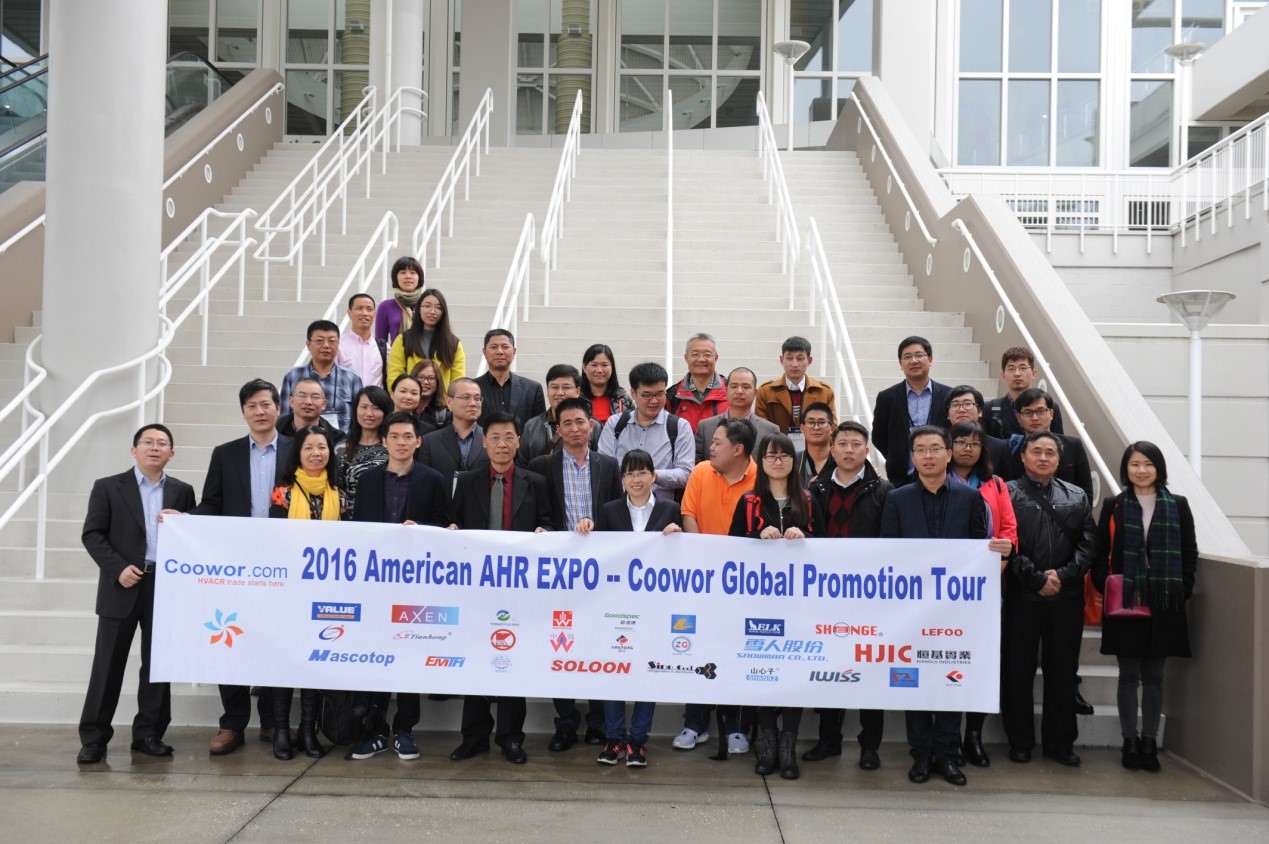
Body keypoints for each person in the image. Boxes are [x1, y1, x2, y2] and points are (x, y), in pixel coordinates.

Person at [76, 424, 197, 765]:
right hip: (122, 584)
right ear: (134, 450)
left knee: (157, 665)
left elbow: (192, 536)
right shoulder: (107, 487)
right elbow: (93, 534)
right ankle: (94, 738)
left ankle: (149, 735)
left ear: (171, 453)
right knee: (107, 664)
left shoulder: (183, 491)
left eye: (162, 443)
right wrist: (118, 568)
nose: (155, 448)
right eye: (148, 442)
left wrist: (186, 518)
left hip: (165, 586)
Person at [880, 425, 988, 787]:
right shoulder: (897, 498)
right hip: (911, 608)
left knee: (951, 679)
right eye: (921, 450)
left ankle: (947, 754)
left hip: (956, 610)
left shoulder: (970, 499)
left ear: (949, 454)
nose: (928, 456)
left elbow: (979, 551)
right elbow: (888, 551)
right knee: (914, 680)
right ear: (913, 457)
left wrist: (999, 551)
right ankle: (922, 754)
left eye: (935, 448)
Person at [192, 379, 293, 755]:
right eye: (252, 406)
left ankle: (272, 721)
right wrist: (182, 519)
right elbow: (211, 503)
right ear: (243, 412)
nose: (259, 411)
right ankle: (232, 723)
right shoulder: (225, 454)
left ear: (278, 408)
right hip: (235, 565)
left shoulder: (297, 450)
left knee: (273, 639)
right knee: (229, 638)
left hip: (284, 564)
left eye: (266, 404)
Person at [448, 412, 551, 765]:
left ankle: (510, 738)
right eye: (495, 437)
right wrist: (451, 530)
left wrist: (545, 533)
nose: (502, 444)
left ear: (519, 441)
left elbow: (549, 523)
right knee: (476, 659)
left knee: (512, 660)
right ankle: (473, 736)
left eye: (509, 437)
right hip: (477, 588)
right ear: (484, 441)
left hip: (519, 590)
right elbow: (453, 523)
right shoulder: (467, 481)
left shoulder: (536, 482)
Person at [347, 413, 449, 762]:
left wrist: (420, 530)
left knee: (409, 656)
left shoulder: (433, 480)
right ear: (384, 441)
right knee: (376, 656)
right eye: (394, 436)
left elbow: (444, 527)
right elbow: (358, 529)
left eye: (408, 436)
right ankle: (375, 730)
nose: (401, 442)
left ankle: (405, 729)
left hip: (416, 584)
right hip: (376, 585)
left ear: (418, 441)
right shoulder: (368, 480)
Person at [1092, 442, 1198, 773]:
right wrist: (1106, 583)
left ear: (1158, 468)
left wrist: (1183, 587)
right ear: (1126, 469)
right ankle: (1129, 740)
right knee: (1128, 674)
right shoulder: (1114, 505)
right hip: (1126, 599)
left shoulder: (1177, 505)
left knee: (1154, 675)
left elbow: (1189, 551)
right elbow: (1099, 550)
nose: (1141, 470)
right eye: (1135, 464)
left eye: (1148, 464)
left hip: (1165, 600)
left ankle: (1149, 741)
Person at [577, 448, 683, 767]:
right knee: (614, 671)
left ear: (653, 476)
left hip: (654, 607)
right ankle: (613, 739)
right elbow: (598, 551)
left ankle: (637, 741)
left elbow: (682, 556)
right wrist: (586, 527)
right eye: (630, 474)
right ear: (622, 479)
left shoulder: (670, 508)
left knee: (648, 671)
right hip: (616, 605)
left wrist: (677, 535)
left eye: (642, 473)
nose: (636, 479)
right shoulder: (609, 510)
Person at [528, 396, 622, 751]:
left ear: (591, 425)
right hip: (559, 570)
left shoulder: (609, 465)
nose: (574, 429)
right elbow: (539, 512)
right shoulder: (542, 465)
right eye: (566, 423)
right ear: (557, 429)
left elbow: (616, 513)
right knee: (560, 643)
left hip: (599, 570)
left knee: (598, 641)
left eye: (580, 421)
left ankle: (598, 722)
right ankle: (565, 721)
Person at [732, 433, 825, 781]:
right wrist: (757, 538)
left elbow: (827, 547)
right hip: (761, 604)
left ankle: (788, 746)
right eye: (770, 456)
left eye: (784, 455)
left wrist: (806, 537)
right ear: (761, 461)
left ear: (793, 460)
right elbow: (731, 547)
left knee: (794, 672)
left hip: (800, 603)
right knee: (764, 671)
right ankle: (768, 745)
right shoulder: (749, 501)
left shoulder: (809, 499)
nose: (777, 461)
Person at [1003, 431, 1095, 767]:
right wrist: (1036, 578)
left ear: (1059, 459)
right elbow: (1005, 544)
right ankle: (1020, 742)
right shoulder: (1006, 493)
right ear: (1023, 456)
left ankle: (1060, 743)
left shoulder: (1077, 495)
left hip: (1066, 597)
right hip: (1022, 596)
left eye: (1050, 453)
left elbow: (1089, 544)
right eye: (1036, 451)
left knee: (1063, 672)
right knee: (1017, 672)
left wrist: (1064, 575)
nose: (1043, 458)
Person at [806, 421, 892, 771]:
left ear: (866, 450)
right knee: (830, 667)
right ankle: (829, 740)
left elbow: (891, 543)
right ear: (832, 448)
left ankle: (870, 746)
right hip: (825, 594)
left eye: (856, 444)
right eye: (842, 443)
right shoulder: (815, 489)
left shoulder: (884, 490)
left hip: (868, 596)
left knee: (870, 670)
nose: (848, 450)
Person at [266, 426, 349, 761]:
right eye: (309, 448)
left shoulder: (339, 495)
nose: (316, 453)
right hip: (288, 590)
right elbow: (274, 541)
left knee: (316, 658)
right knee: (285, 659)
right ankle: (281, 729)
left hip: (326, 591)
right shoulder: (283, 494)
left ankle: (308, 729)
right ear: (298, 454)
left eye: (322, 447)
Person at [676, 418, 758, 754]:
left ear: (738, 449)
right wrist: (705, 559)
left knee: (738, 651)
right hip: (703, 581)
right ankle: (695, 723)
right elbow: (688, 514)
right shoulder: (700, 472)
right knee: (698, 648)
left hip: (745, 584)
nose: (710, 447)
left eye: (718, 442)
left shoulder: (760, 479)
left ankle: (736, 726)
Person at [947, 420, 1018, 767]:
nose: (968, 448)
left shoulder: (997, 484)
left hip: (987, 585)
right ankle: (947, 736)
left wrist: (1000, 565)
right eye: (961, 442)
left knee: (980, 660)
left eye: (975, 444)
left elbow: (1009, 530)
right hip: (943, 590)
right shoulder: (937, 480)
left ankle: (973, 735)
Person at [597, 362, 695, 501]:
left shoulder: (679, 427)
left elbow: (686, 474)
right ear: (633, 393)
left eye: (660, 394)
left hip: (661, 508)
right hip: (621, 506)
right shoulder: (615, 424)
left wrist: (653, 476)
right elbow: (604, 468)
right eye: (647, 395)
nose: (654, 401)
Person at [871, 336, 950, 486]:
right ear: (900, 364)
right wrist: (897, 456)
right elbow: (878, 436)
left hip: (942, 477)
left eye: (919, 355)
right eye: (907, 357)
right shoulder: (887, 397)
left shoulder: (948, 396)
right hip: (901, 478)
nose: (913, 361)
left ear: (930, 359)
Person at [1003, 388, 1093, 499]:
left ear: (1051, 413)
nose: (1035, 418)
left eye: (1041, 411)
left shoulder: (1073, 445)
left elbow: (1086, 494)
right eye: (1028, 412)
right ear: (1019, 418)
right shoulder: (1009, 448)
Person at [280, 319, 363, 433]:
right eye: (319, 341)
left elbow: (359, 419)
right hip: (301, 441)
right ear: (308, 345)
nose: (326, 346)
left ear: (338, 344)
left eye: (332, 341)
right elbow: (284, 417)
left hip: (341, 442)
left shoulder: (352, 378)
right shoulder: (293, 376)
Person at [694, 366, 779, 463]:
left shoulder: (770, 430)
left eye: (746, 387)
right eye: (734, 386)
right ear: (726, 390)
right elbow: (696, 464)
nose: (739, 391)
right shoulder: (705, 427)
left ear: (755, 393)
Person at [418, 377, 489, 492]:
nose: (473, 403)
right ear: (449, 402)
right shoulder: (430, 442)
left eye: (477, 398)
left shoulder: (491, 440)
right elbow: (424, 484)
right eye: (466, 398)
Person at [387, 287, 466, 390]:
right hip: (410, 397)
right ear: (419, 309)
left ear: (443, 312)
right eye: (427, 306)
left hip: (442, 399)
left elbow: (458, 381)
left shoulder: (454, 344)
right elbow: (394, 375)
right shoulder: (403, 340)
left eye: (438, 307)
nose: (432, 311)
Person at [754, 336, 836, 435]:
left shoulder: (824, 392)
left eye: (800, 358)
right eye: (789, 358)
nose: (795, 364)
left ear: (809, 360)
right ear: (781, 360)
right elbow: (762, 429)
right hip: (777, 444)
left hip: (815, 444)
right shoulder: (766, 392)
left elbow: (832, 429)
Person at [984, 346, 1065, 440]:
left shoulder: (1050, 407)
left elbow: (1059, 444)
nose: (1017, 374)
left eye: (1023, 368)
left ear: (1034, 373)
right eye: (1011, 369)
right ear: (1003, 376)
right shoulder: (990, 409)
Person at [333, 385, 392, 512]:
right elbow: (335, 489)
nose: (369, 414)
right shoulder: (341, 448)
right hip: (350, 518)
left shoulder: (393, 447)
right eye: (364, 407)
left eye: (376, 408)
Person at [519, 364, 593, 464]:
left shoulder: (592, 425)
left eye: (566, 387)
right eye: (554, 387)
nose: (560, 393)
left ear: (577, 391)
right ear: (547, 390)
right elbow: (522, 466)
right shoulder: (531, 426)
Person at [474, 329, 545, 429]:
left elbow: (539, 428)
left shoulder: (532, 389)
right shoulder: (472, 388)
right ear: (484, 352)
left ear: (514, 351)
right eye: (494, 347)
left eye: (505, 347)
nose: (499, 351)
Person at [945, 385, 1011, 478]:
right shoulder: (939, 443)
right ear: (948, 414)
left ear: (980, 411)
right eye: (955, 405)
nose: (961, 410)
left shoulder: (999, 447)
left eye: (967, 404)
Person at [668, 333, 727, 431]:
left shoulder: (731, 390)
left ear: (716, 358)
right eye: (695, 354)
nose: (701, 359)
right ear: (686, 358)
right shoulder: (673, 396)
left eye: (707, 355)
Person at [337, 292, 386, 388]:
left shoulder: (383, 347)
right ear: (349, 313)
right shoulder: (338, 345)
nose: (364, 313)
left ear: (374, 314)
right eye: (359, 308)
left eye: (369, 309)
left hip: (375, 397)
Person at [276, 377, 346, 443]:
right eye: (302, 395)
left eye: (315, 397)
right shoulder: (275, 429)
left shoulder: (337, 439)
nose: (308, 402)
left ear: (324, 404)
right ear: (291, 401)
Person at [375, 255, 424, 345]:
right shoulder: (385, 307)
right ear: (395, 277)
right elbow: (380, 343)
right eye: (403, 272)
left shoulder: (427, 304)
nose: (408, 276)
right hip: (397, 353)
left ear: (419, 277)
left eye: (413, 272)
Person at [580, 343, 633, 425]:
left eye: (604, 365)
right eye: (594, 365)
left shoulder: (623, 399)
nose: (599, 370)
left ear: (612, 367)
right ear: (584, 367)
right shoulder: (576, 398)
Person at [796, 402, 835, 485]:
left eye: (822, 422)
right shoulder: (793, 461)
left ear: (832, 428)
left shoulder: (842, 461)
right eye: (811, 422)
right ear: (802, 428)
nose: (816, 427)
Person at [410, 358, 452, 431]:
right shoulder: (402, 409)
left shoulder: (444, 416)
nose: (425, 382)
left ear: (438, 382)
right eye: (421, 377)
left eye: (431, 378)